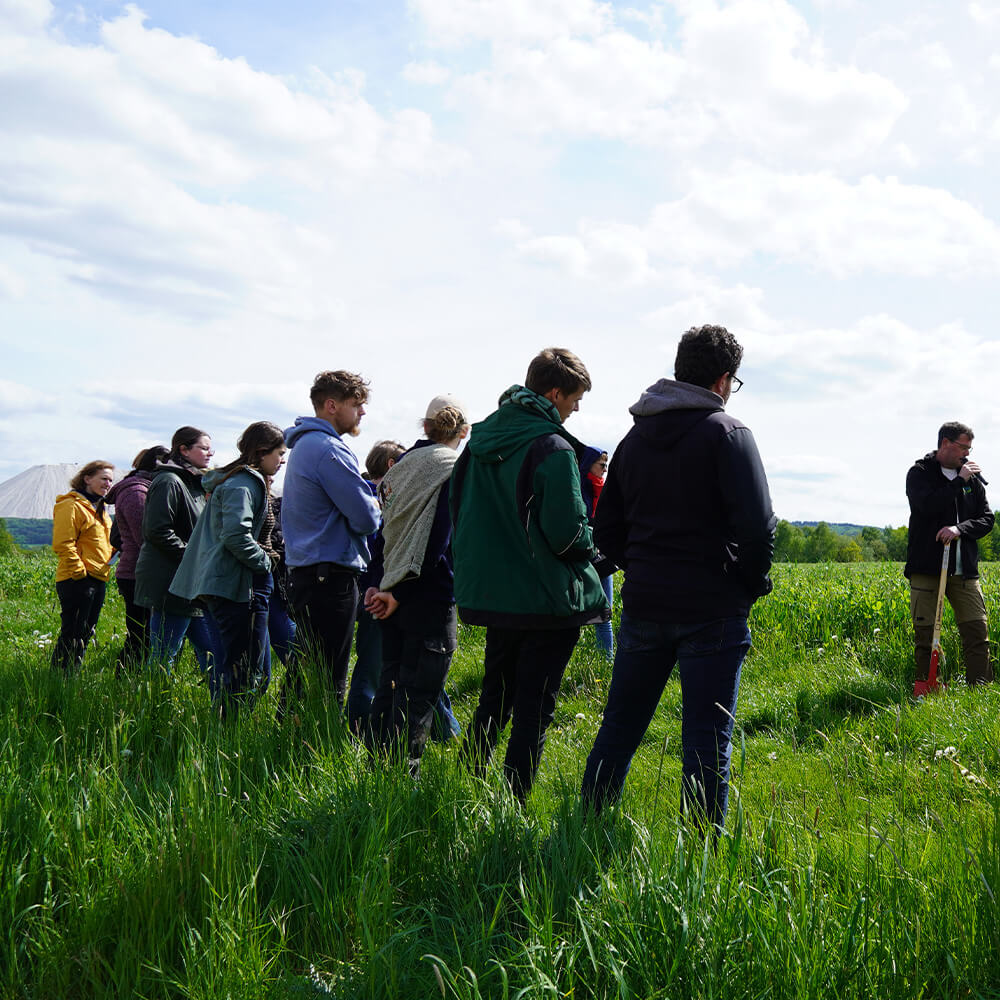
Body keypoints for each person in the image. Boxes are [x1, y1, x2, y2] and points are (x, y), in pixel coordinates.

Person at [581, 325, 776, 833]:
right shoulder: (729, 434)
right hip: (713, 608)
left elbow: (607, 528)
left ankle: (588, 824)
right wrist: (747, 585)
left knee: (620, 726)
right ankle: (700, 853)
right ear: (723, 379)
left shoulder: (633, 440)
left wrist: (641, 565)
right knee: (708, 738)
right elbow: (758, 529)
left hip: (645, 602)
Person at [452, 348, 610, 801]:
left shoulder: (477, 445)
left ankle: (467, 786)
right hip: (544, 599)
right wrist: (596, 547)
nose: (576, 409)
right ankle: (512, 806)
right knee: (533, 710)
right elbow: (566, 537)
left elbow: (458, 511)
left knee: (493, 699)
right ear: (555, 393)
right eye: (575, 399)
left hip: (494, 595)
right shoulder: (552, 447)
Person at [363, 396, 469, 775]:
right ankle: (403, 781)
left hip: (389, 590)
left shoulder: (398, 469)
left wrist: (378, 586)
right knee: (419, 695)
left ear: (424, 428)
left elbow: (385, 534)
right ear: (464, 432)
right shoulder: (453, 468)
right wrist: (399, 591)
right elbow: (438, 539)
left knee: (389, 683)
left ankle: (374, 774)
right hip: (428, 594)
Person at [280, 371, 381, 711]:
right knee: (327, 674)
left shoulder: (307, 445)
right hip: (329, 575)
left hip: (311, 572)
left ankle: (289, 741)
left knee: (307, 667)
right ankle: (313, 747)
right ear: (332, 405)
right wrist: (376, 505)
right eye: (357, 404)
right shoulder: (328, 450)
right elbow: (366, 518)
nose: (362, 412)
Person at [170, 422, 285, 716]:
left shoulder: (241, 482)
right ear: (262, 452)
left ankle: (225, 735)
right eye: (279, 453)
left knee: (239, 672)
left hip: (233, 584)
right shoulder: (243, 485)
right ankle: (229, 739)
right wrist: (265, 564)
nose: (282, 460)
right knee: (244, 675)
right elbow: (235, 536)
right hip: (238, 586)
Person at [905, 421, 994, 696]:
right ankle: (927, 688)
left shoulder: (972, 480)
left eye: (969, 448)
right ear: (945, 443)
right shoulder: (920, 473)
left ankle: (981, 692)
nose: (966, 454)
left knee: (977, 632)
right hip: (926, 568)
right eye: (962, 447)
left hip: (964, 570)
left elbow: (987, 519)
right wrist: (959, 482)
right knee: (926, 636)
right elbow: (928, 506)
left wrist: (959, 529)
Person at [134, 427, 218, 675]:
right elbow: (157, 531)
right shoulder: (169, 481)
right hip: (169, 582)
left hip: (192, 584)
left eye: (210, 448)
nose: (209, 453)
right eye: (203, 448)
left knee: (211, 650)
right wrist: (195, 558)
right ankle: (151, 711)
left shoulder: (192, 482)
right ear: (183, 449)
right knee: (164, 656)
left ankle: (221, 708)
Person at [347, 439, 406, 731]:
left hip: (364, 589)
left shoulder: (356, 494)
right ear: (393, 465)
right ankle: (356, 728)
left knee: (374, 664)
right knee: (373, 667)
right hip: (381, 591)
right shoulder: (383, 498)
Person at [106, 445, 169, 672]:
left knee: (145, 633)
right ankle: (126, 681)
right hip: (136, 573)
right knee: (140, 635)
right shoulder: (136, 492)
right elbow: (146, 536)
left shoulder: (142, 488)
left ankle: (133, 679)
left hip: (140, 571)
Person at [51, 461, 115, 671]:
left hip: (99, 576)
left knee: (86, 631)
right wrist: (80, 573)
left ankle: (71, 675)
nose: (108, 484)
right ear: (87, 479)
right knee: (72, 632)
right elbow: (63, 543)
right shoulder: (71, 505)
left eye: (111, 480)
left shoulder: (99, 508)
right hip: (77, 579)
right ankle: (59, 678)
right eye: (104, 478)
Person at [579, 446, 614, 660]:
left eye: (606, 465)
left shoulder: (603, 489)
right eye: (601, 465)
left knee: (604, 613)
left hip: (600, 558)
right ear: (588, 464)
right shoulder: (577, 489)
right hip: (580, 558)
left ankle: (605, 663)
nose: (604, 470)